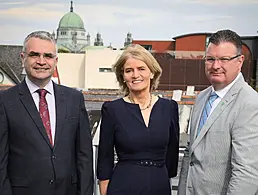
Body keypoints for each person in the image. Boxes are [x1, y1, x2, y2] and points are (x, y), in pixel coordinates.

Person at [0, 31, 93, 195]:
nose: (41, 62)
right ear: (23, 58)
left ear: (56, 61)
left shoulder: (74, 99)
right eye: (34, 55)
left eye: (48, 56)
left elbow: (84, 156)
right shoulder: (5, 101)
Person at [178, 29, 258, 195]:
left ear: (240, 61)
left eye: (224, 59)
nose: (216, 66)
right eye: (210, 59)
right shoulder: (202, 98)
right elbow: (190, 154)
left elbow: (246, 173)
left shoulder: (249, 103)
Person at [97, 44, 179, 195]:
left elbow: (172, 157)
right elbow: (105, 159)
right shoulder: (112, 110)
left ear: (152, 73)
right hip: (123, 186)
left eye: (141, 69)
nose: (135, 75)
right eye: (129, 71)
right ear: (122, 76)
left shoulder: (169, 108)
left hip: (159, 186)